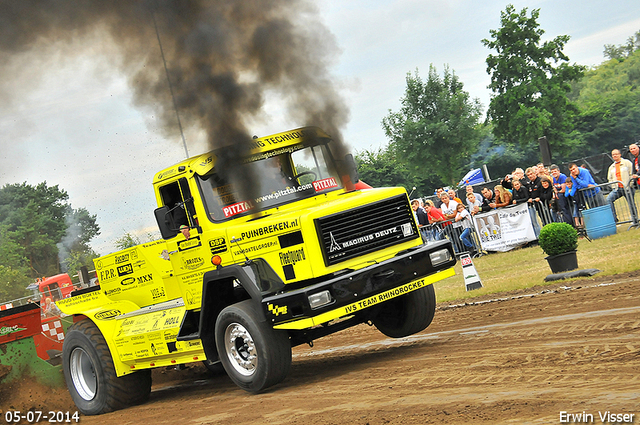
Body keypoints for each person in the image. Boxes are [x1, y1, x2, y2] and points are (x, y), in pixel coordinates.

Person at [606, 149, 634, 222]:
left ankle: (635, 219)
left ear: (620, 154)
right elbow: (610, 178)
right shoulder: (611, 167)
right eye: (613, 155)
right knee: (608, 199)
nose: (614, 156)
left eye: (616, 154)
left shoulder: (627, 163)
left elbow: (632, 173)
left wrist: (630, 184)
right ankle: (614, 219)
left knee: (631, 203)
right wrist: (613, 187)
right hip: (617, 189)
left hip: (627, 188)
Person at [523, 167, 542, 237]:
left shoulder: (540, 181)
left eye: (531, 174)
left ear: (535, 173)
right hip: (536, 205)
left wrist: (539, 198)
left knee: (545, 218)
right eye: (528, 175)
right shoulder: (530, 184)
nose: (530, 176)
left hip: (543, 203)